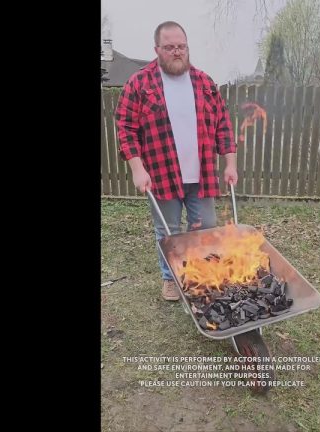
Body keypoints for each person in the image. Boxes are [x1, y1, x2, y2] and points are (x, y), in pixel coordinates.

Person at [115, 21, 238, 301]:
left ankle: (203, 275)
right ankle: (170, 279)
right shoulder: (140, 83)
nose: (176, 51)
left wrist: (230, 164)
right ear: (157, 49)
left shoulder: (204, 82)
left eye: (181, 46)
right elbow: (125, 128)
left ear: (187, 47)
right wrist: (137, 169)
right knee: (168, 231)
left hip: (202, 176)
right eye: (169, 47)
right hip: (161, 175)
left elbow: (223, 126)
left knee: (206, 227)